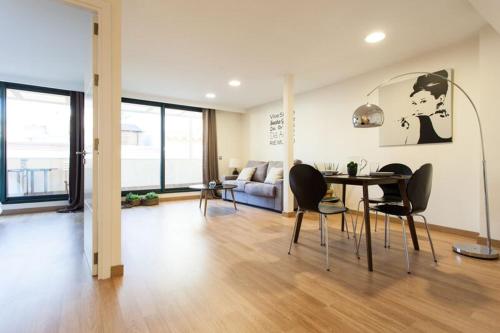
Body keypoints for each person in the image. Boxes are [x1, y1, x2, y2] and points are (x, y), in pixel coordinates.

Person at [400, 70, 452, 144]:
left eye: (423, 101)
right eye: (414, 103)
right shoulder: (416, 121)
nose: (417, 108)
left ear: (441, 99)